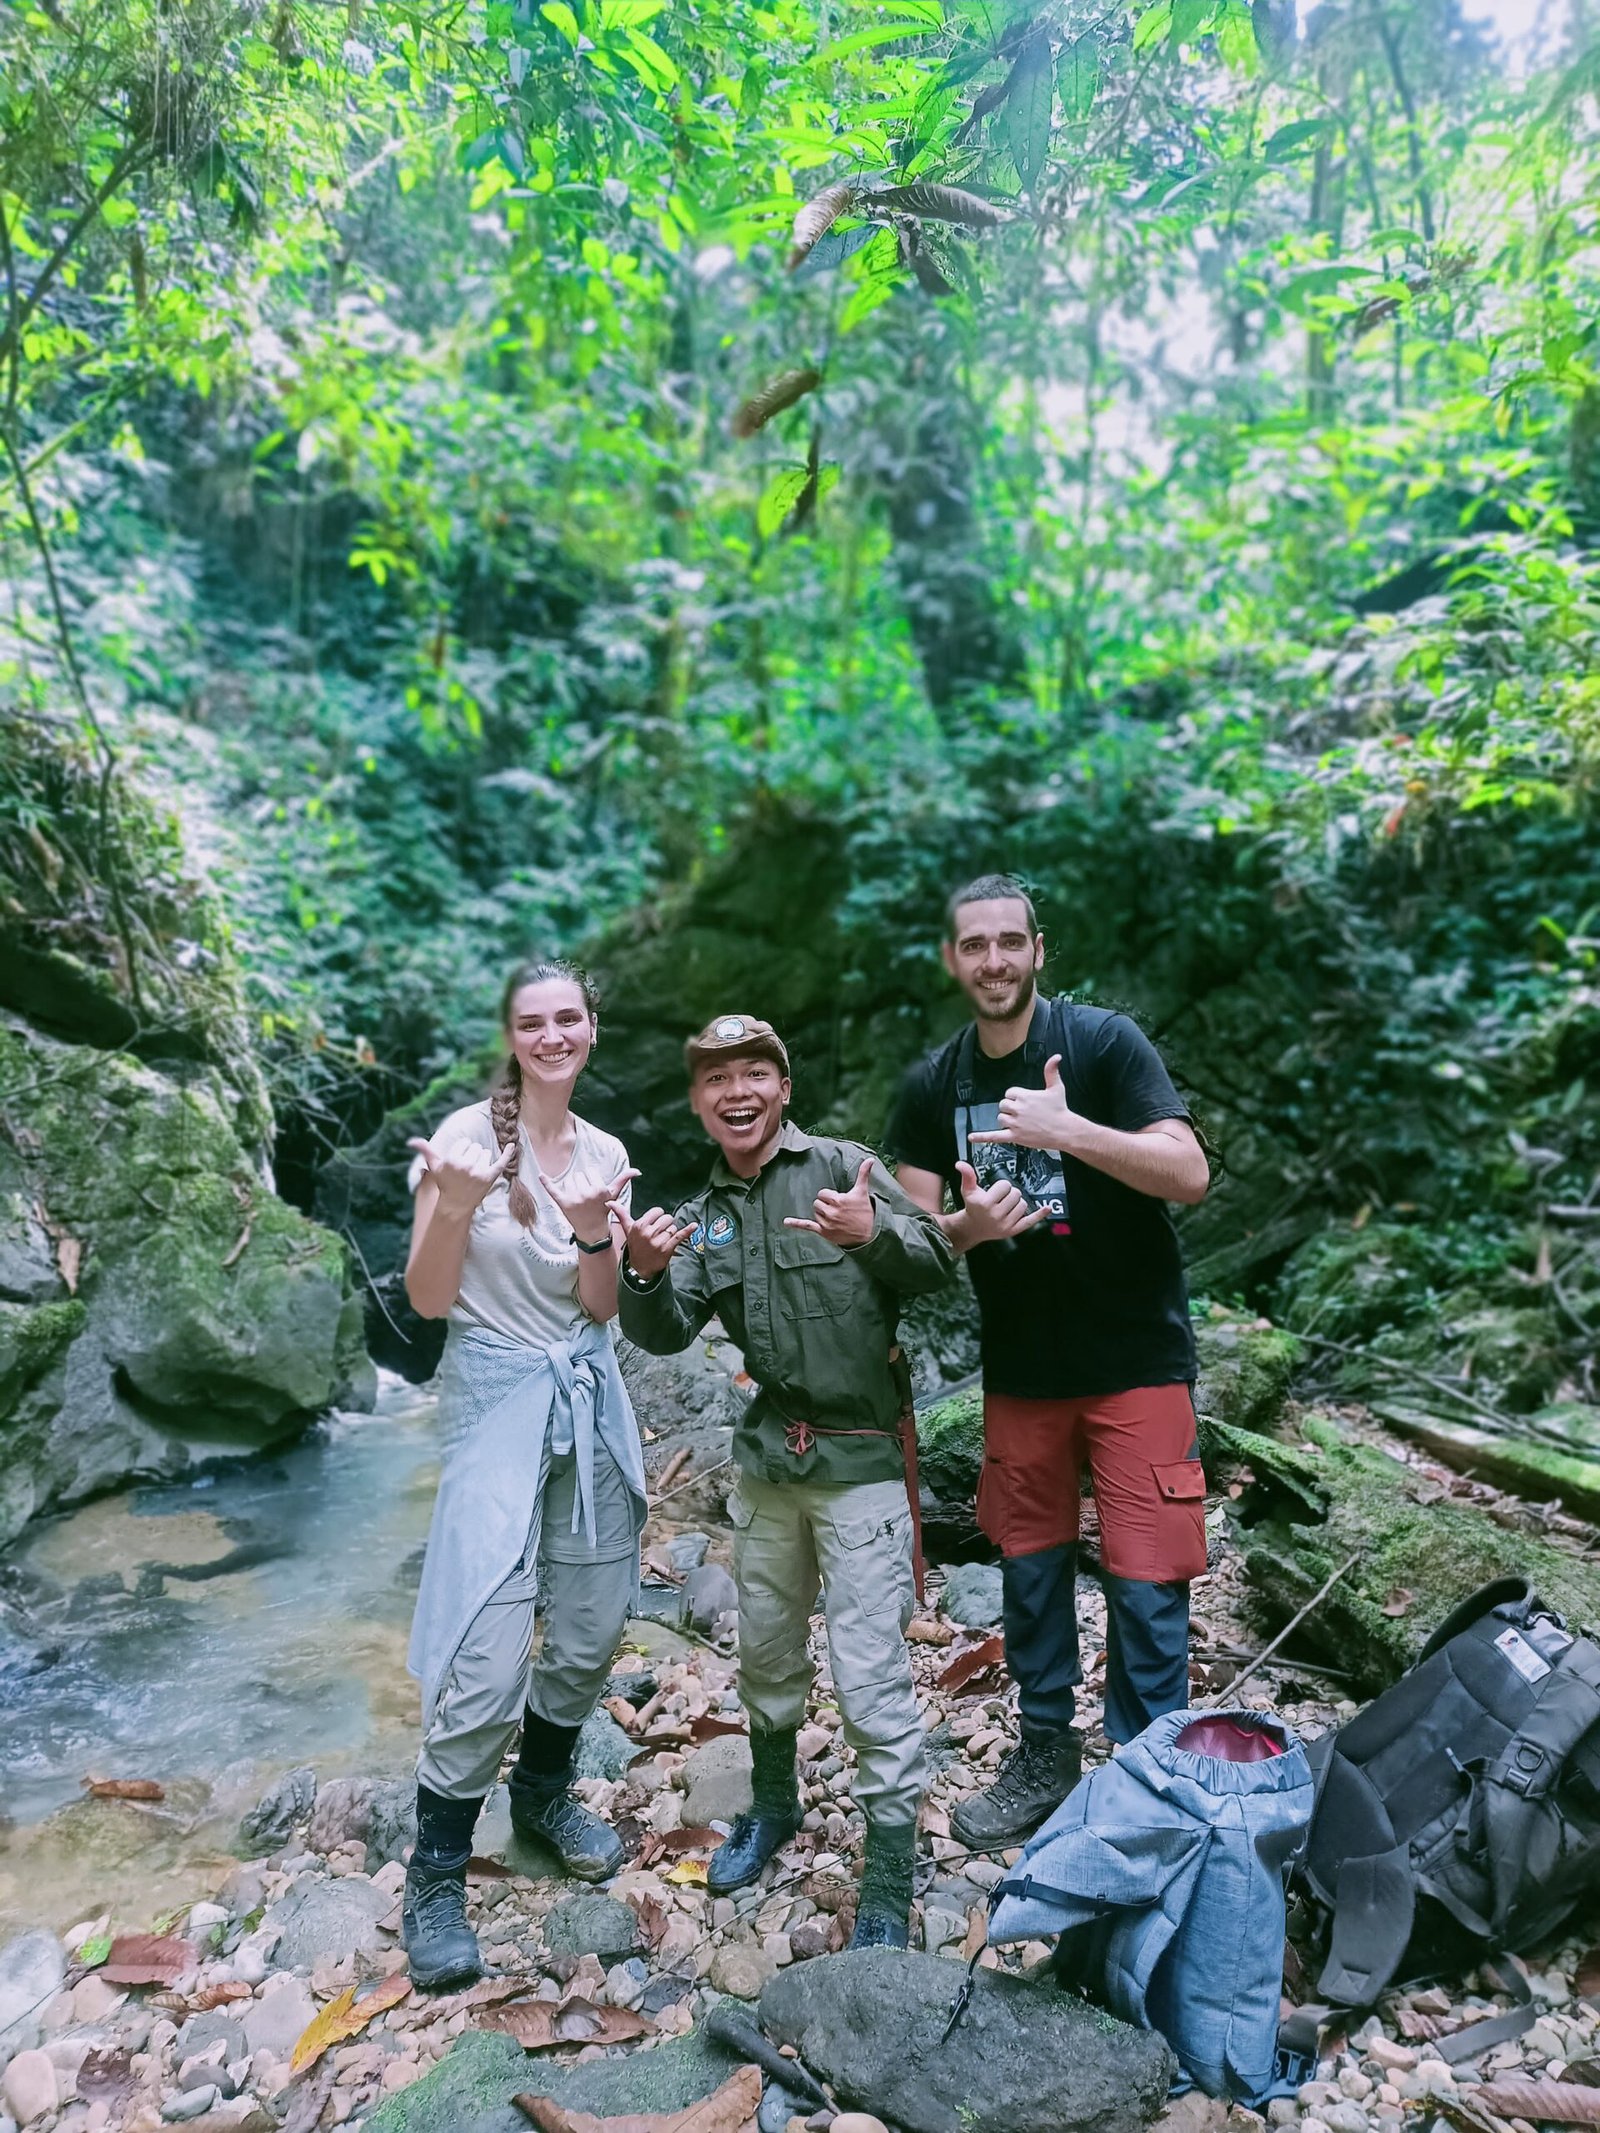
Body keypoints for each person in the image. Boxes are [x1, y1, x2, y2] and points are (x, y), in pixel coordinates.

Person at [614, 1014, 954, 1948]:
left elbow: (938, 1260)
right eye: (717, 1078)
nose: (738, 1091)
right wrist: (641, 1273)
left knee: (871, 1675)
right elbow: (666, 1330)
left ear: (784, 1087)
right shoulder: (702, 1217)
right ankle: (772, 1804)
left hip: (862, 1464)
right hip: (771, 1465)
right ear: (698, 1102)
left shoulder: (845, 1165)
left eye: (755, 1072)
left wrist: (873, 1231)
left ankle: (889, 1872)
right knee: (764, 1651)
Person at [886, 875, 1212, 1847]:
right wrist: (967, 1227)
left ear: (1037, 949)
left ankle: (1149, 1776)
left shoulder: (1103, 1044)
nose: (993, 960)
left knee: (1147, 1578)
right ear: (952, 960)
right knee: (1029, 1573)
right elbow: (907, 1243)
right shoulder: (932, 1086)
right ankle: (1042, 1752)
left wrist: (1069, 1131)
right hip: (1022, 1372)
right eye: (973, 945)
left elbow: (1188, 1172)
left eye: (1008, 942)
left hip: (1137, 1358)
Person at [400, 958, 646, 1989]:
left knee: (590, 1627)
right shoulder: (464, 1141)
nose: (552, 1035)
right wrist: (455, 1206)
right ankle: (435, 1874)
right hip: (492, 1405)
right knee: (486, 1657)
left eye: (568, 1018)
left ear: (590, 1029)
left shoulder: (606, 1152)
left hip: (586, 1396)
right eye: (533, 1021)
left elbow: (601, 1306)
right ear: (511, 1035)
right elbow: (426, 1300)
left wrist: (595, 1232)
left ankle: (542, 1794)